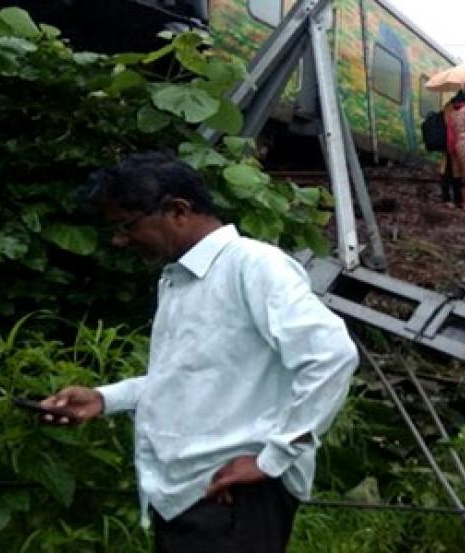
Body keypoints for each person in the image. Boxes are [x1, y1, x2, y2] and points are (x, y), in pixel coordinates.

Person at [40, 152, 359, 553]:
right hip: (187, 497)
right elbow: (187, 375)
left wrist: (271, 460)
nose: (120, 240)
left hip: (231, 496)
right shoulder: (178, 280)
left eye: (126, 225)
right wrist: (104, 399)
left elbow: (331, 357)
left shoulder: (254, 266)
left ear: (177, 211)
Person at [440, 99, 464, 207]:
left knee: (448, 174)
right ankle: (455, 199)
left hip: (449, 147)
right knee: (454, 174)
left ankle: (449, 198)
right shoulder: (457, 111)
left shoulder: (447, 108)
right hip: (454, 147)